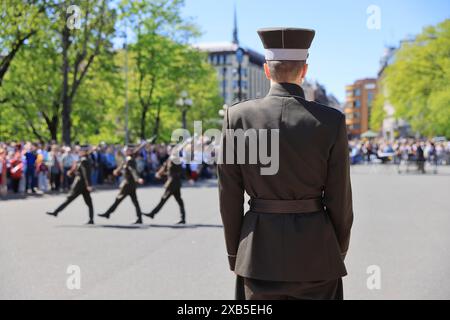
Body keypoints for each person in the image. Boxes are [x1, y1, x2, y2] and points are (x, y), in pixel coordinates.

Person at [218, 28, 353, 300]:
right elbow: (340, 199)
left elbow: (229, 196)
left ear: (267, 71)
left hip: (257, 252)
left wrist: (235, 253)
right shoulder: (331, 121)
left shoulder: (238, 117)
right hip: (316, 251)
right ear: (304, 70)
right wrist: (337, 250)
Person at [46, 145, 95, 225]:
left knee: (70, 198)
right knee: (88, 202)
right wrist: (72, 172)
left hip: (80, 184)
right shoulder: (84, 159)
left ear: (84, 152)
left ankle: (56, 212)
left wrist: (88, 185)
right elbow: (79, 170)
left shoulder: (84, 160)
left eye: (81, 151)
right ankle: (91, 219)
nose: (79, 152)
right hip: (83, 184)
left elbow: (86, 174)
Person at [97, 145, 144, 225]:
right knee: (134, 201)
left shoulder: (129, 160)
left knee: (118, 199)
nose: (124, 151)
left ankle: (108, 213)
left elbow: (132, 171)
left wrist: (137, 178)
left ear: (130, 151)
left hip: (128, 183)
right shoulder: (128, 159)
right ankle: (139, 218)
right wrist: (117, 170)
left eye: (126, 150)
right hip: (131, 184)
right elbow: (123, 167)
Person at [144, 151, 186, 225]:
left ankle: (152, 213)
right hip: (173, 183)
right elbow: (166, 169)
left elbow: (178, 172)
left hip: (172, 183)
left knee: (164, 199)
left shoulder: (175, 160)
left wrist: (163, 174)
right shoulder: (170, 159)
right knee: (178, 200)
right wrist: (160, 173)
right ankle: (183, 218)